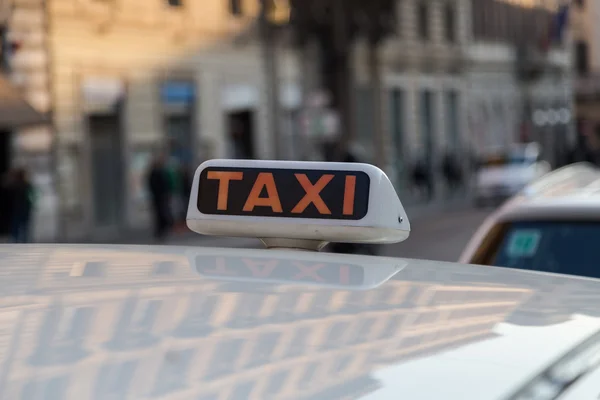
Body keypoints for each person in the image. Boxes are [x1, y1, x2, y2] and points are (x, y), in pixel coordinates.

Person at [147, 153, 172, 242]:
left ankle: (162, 231)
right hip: (158, 197)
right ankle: (160, 231)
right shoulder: (156, 172)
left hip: (161, 197)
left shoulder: (161, 171)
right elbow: (153, 185)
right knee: (159, 214)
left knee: (162, 213)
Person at [8, 167, 35, 243]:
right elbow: (32, 196)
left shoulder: (14, 185)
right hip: (24, 208)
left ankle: (15, 241)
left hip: (17, 208)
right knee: (24, 227)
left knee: (16, 227)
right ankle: (23, 241)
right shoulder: (27, 185)